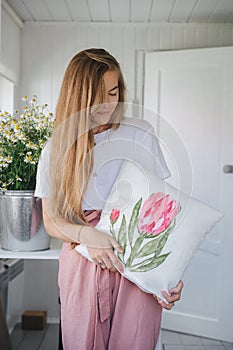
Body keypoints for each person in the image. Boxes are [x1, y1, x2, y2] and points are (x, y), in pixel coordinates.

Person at [35, 48, 183, 350]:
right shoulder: (56, 148)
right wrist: (87, 233)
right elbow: (51, 221)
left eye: (113, 92)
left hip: (135, 255)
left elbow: (161, 211)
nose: (107, 103)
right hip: (83, 259)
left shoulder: (140, 134)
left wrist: (169, 272)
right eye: (96, 95)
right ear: (77, 95)